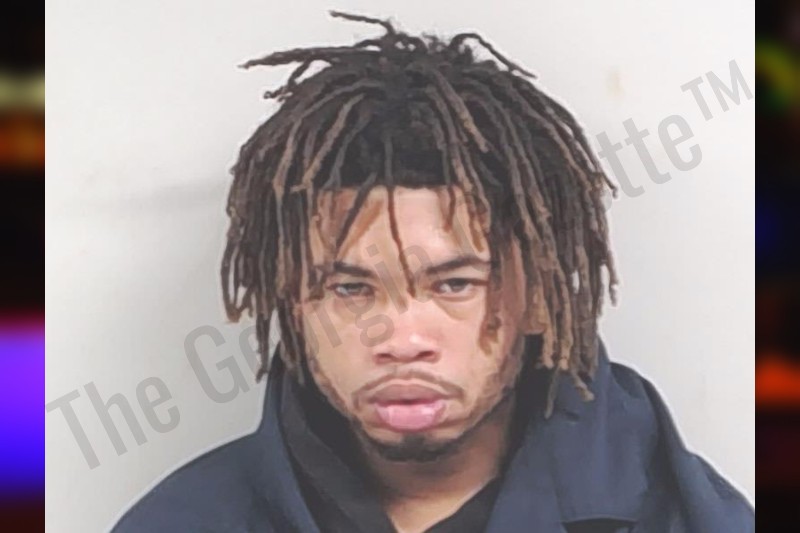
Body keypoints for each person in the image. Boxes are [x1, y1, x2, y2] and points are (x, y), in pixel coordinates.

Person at [112, 11, 754, 533]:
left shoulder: (683, 519)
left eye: (454, 285)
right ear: (293, 306)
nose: (401, 340)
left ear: (538, 297)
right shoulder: (181, 522)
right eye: (351, 288)